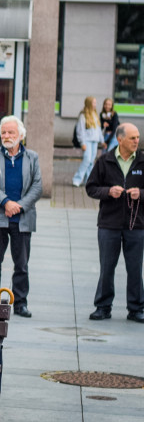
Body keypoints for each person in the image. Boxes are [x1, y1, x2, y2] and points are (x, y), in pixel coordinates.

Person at [0, 115, 42, 318]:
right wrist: (6, 202)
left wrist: (19, 206)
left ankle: (20, 303)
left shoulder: (32, 157)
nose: (6, 136)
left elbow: (37, 186)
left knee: (22, 265)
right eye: (4, 132)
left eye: (11, 132)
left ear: (21, 135)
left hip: (22, 218)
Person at [85, 123, 144, 322]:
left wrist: (141, 194)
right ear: (120, 140)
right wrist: (108, 192)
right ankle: (103, 307)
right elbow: (91, 188)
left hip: (136, 224)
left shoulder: (143, 160)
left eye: (137, 137)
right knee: (107, 267)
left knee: (135, 268)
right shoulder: (105, 161)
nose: (137, 141)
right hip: (108, 224)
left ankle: (136, 308)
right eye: (132, 138)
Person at [73, 96, 103, 187]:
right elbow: (80, 130)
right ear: (89, 103)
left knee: (91, 161)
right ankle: (77, 179)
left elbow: (98, 129)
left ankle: (88, 180)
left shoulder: (95, 114)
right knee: (87, 159)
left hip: (95, 141)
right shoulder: (83, 115)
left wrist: (102, 140)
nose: (95, 104)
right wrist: (82, 143)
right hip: (87, 141)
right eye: (94, 102)